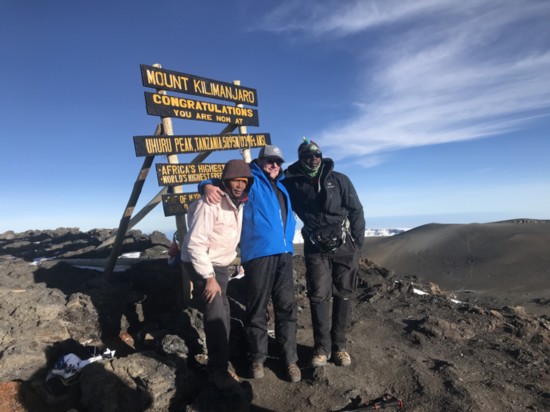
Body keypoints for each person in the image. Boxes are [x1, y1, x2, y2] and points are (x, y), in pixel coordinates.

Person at [200, 145, 301, 383]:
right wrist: (205, 185)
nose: (274, 165)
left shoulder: (283, 186)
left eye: (278, 161)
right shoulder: (251, 179)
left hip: (285, 254)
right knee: (257, 308)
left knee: (286, 308)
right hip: (258, 254)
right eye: (269, 161)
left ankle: (290, 360)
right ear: (260, 161)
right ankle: (257, 358)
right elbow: (217, 180)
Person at [282, 138, 365, 368]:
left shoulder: (339, 180)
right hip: (315, 246)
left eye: (317, 155)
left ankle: (340, 347)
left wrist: (357, 244)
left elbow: (356, 210)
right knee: (318, 294)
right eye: (308, 156)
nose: (314, 159)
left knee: (344, 293)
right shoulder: (291, 182)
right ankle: (321, 348)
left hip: (344, 245)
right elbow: (263, 181)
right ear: (301, 158)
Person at [181, 159, 252, 390]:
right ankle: (217, 372)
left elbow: (229, 236)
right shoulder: (210, 203)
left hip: (220, 265)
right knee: (216, 314)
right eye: (235, 180)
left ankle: (220, 362)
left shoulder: (237, 203)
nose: (240, 185)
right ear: (224, 181)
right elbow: (195, 245)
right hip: (203, 264)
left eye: (244, 181)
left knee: (225, 312)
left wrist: (236, 261)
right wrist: (209, 278)